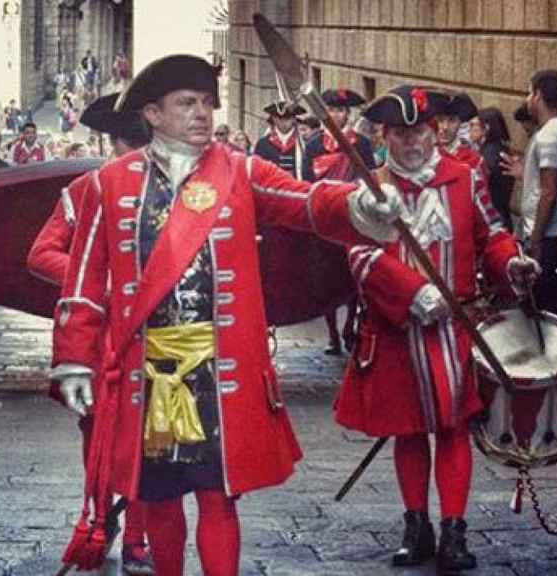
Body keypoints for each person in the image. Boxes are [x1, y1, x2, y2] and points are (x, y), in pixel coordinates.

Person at [51, 54, 403, 576]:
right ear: (152, 113)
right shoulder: (111, 182)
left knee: (219, 497)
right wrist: (74, 359)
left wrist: (359, 208)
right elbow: (82, 278)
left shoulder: (237, 170)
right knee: (161, 497)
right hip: (147, 375)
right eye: (186, 104)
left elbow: (304, 202)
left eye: (207, 103)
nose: (202, 113)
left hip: (219, 374)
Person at [334, 85, 539, 573]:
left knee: (451, 431)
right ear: (386, 136)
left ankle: (453, 530)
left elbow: (491, 234)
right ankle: (415, 525)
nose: (413, 143)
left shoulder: (465, 178)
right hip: (395, 328)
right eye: (401, 133)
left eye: (420, 131)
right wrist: (410, 292)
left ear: (435, 131)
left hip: (454, 329)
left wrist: (512, 264)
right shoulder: (370, 184)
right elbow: (358, 252)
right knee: (408, 432)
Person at [27, 91, 156, 576]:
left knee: (152, 439)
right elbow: (41, 253)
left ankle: (141, 537)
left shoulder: (179, 193)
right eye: (127, 145)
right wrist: (101, 283)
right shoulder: (86, 188)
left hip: (161, 340)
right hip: (100, 340)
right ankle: (101, 521)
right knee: (97, 434)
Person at [302, 89, 375, 356]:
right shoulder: (314, 145)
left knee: (354, 276)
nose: (337, 114)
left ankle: (351, 327)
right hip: (325, 220)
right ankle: (332, 333)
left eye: (342, 110)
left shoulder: (362, 144)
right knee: (326, 278)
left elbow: (370, 178)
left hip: (355, 218)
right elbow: (307, 185)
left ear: (348, 114)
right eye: (332, 109)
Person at [507, 70, 557, 316]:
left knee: (544, 309)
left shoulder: (549, 136)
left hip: (547, 238)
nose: (528, 99)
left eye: (529, 92)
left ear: (537, 95)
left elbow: (548, 192)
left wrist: (535, 239)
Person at [477, 107, 516, 231]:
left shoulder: (486, 157)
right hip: (504, 216)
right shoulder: (504, 151)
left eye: (474, 125)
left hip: (492, 221)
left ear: (486, 128)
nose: (469, 129)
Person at [436, 92, 486, 179]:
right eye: (440, 120)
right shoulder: (422, 155)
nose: (445, 127)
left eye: (452, 121)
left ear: (460, 123)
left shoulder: (473, 161)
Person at [253, 100, 306, 179]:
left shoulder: (304, 142)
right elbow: (257, 171)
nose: (284, 122)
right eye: (280, 118)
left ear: (294, 119)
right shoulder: (263, 144)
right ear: (274, 119)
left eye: (288, 118)